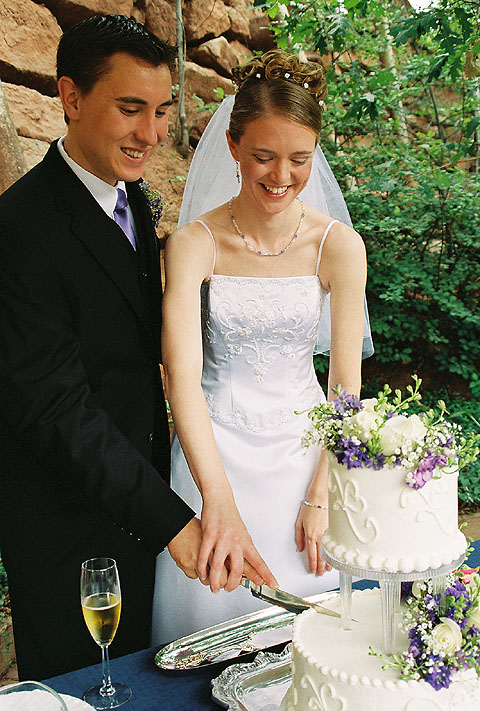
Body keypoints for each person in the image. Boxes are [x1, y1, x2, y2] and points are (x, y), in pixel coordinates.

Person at [0, 14, 226, 681]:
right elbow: (55, 407)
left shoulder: (131, 197)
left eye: (161, 112)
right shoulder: (19, 228)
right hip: (66, 525)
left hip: (136, 499)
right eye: (131, 109)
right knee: (86, 689)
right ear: (71, 97)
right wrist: (171, 521)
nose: (151, 134)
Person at [152, 49, 373, 642]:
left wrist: (322, 491)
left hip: (305, 462)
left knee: (315, 644)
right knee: (206, 631)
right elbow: (181, 377)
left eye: (300, 159)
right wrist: (216, 499)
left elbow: (344, 386)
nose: (281, 176)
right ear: (233, 146)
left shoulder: (340, 247)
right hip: (212, 456)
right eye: (263, 156)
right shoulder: (193, 244)